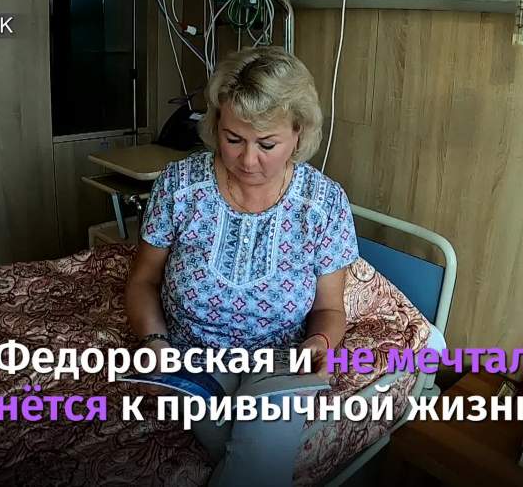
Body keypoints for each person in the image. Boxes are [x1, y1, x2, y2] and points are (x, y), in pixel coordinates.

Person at [125, 46, 359, 486]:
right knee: (254, 461)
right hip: (194, 355)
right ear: (216, 125)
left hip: (279, 361)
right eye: (233, 139)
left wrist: (321, 342)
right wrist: (155, 342)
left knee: (259, 451)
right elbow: (143, 281)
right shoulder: (180, 186)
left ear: (298, 134)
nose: (249, 161)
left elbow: (330, 308)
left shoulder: (324, 204)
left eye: (267, 144)